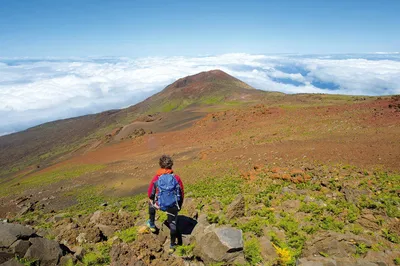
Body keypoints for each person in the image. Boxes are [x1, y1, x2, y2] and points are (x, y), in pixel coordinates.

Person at [147, 155, 184, 253]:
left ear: (160, 165)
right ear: (171, 166)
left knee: (150, 202)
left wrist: (153, 200)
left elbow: (150, 193)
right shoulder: (176, 178)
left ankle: (152, 225)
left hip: (160, 206)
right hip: (173, 206)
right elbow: (181, 193)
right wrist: (178, 206)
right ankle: (172, 245)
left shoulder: (157, 177)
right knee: (173, 223)